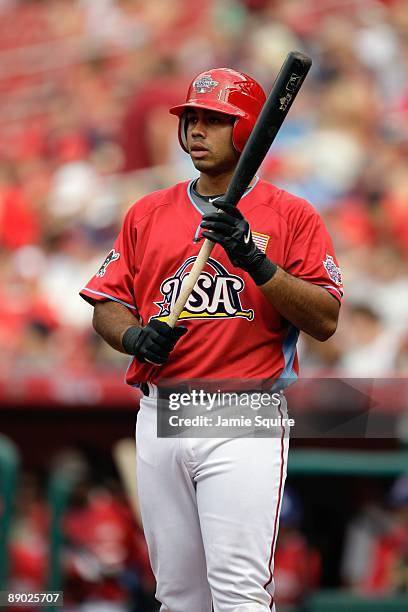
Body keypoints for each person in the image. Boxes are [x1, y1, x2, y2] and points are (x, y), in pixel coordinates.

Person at [80, 68, 343, 611]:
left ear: (246, 130)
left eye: (214, 120)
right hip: (161, 411)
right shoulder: (148, 212)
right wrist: (132, 336)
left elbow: (324, 318)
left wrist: (254, 259)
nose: (197, 130)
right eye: (191, 119)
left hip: (239, 412)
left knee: (239, 592)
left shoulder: (291, 215)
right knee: (177, 596)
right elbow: (106, 303)